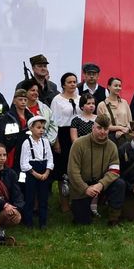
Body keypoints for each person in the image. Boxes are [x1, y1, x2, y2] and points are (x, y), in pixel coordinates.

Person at [67, 113, 123, 226]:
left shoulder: (112, 146)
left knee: (120, 183)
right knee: (82, 222)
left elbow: (115, 171)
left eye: (106, 129)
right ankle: (84, 207)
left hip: (101, 185)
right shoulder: (79, 144)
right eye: (99, 128)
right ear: (93, 127)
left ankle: (113, 218)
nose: (102, 131)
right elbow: (72, 171)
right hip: (82, 185)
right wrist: (85, 188)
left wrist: (101, 185)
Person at [20, 115, 54, 230]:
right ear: (31, 128)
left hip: (44, 171)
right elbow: (24, 162)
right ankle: (28, 222)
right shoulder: (26, 143)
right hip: (32, 172)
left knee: (43, 198)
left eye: (43, 128)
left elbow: (50, 158)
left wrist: (47, 172)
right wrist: (35, 174)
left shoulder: (45, 142)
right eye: (38, 127)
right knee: (30, 198)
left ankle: (43, 222)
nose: (41, 130)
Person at [50, 72, 80, 202]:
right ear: (63, 84)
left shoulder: (80, 98)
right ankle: (64, 202)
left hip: (78, 133)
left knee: (76, 166)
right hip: (63, 134)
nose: (73, 84)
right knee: (63, 168)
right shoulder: (57, 100)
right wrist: (56, 141)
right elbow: (54, 121)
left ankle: (76, 198)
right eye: (69, 82)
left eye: (74, 81)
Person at [0, 89, 29, 168]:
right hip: (11, 152)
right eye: (20, 99)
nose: (23, 102)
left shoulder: (30, 117)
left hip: (26, 152)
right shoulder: (7, 118)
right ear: (14, 101)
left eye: (25, 100)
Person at [96, 77, 132, 144]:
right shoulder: (102, 105)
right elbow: (102, 125)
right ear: (109, 87)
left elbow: (130, 121)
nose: (118, 88)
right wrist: (120, 128)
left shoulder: (124, 102)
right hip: (108, 138)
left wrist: (125, 129)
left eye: (120, 86)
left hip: (125, 137)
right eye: (115, 86)